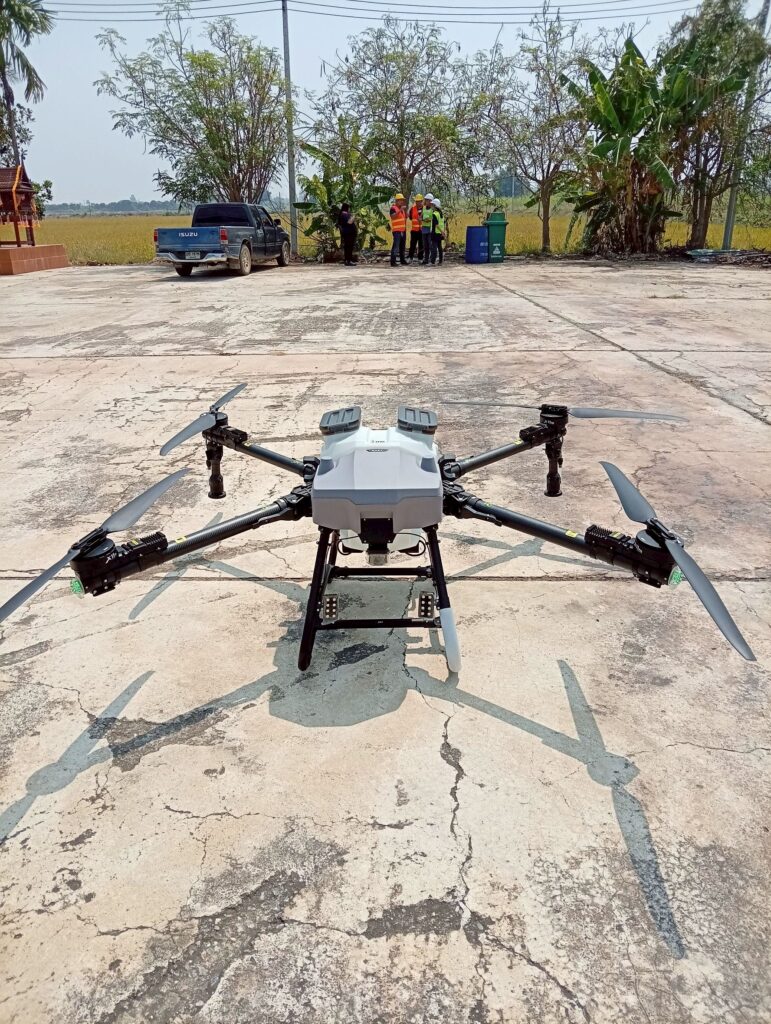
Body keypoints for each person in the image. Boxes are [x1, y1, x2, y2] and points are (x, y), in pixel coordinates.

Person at [389, 193, 407, 267]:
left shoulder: (401, 210)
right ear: (397, 201)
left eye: (402, 200)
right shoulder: (393, 208)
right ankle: (393, 262)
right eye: (400, 200)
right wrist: (400, 210)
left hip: (402, 231)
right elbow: (393, 217)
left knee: (402, 247)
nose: (402, 202)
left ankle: (402, 260)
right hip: (397, 231)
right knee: (396, 246)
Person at [407, 194, 424, 264]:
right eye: (416, 201)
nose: (417, 202)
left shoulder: (425, 209)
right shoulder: (412, 209)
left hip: (422, 230)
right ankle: (410, 258)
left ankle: (420, 258)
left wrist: (422, 219)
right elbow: (411, 218)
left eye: (418, 201)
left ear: (421, 201)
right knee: (412, 245)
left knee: (421, 245)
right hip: (414, 230)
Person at [430, 197, 445, 266]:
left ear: (435, 206)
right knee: (440, 247)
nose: (431, 206)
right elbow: (442, 224)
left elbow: (436, 225)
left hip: (435, 233)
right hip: (440, 233)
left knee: (434, 248)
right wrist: (443, 232)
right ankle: (440, 261)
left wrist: (441, 231)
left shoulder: (435, 214)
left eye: (432, 205)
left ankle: (432, 262)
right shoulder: (441, 214)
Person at [420, 194, 434, 265]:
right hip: (424, 228)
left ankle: (432, 259)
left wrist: (428, 220)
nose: (426, 201)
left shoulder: (433, 209)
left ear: (431, 201)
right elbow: (420, 217)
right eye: (426, 200)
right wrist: (421, 219)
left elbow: (433, 219)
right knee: (425, 245)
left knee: (430, 245)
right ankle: (426, 259)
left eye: (428, 200)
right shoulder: (424, 208)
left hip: (430, 229)